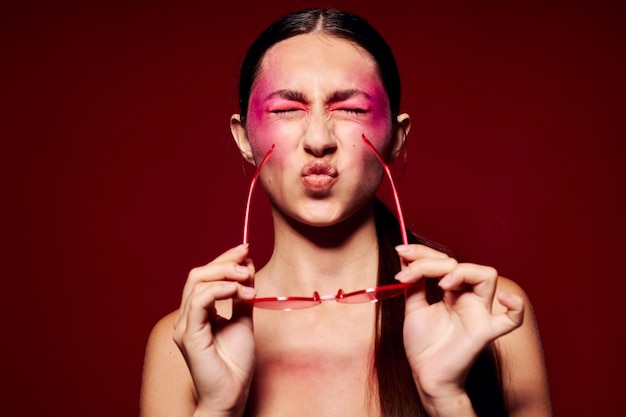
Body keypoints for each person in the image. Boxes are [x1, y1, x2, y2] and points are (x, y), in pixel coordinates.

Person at [140, 8, 552, 417]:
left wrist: (447, 400)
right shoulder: (186, 343)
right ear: (243, 138)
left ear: (396, 137)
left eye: (351, 109)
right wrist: (219, 407)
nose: (318, 139)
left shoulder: (492, 318)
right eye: (285, 110)